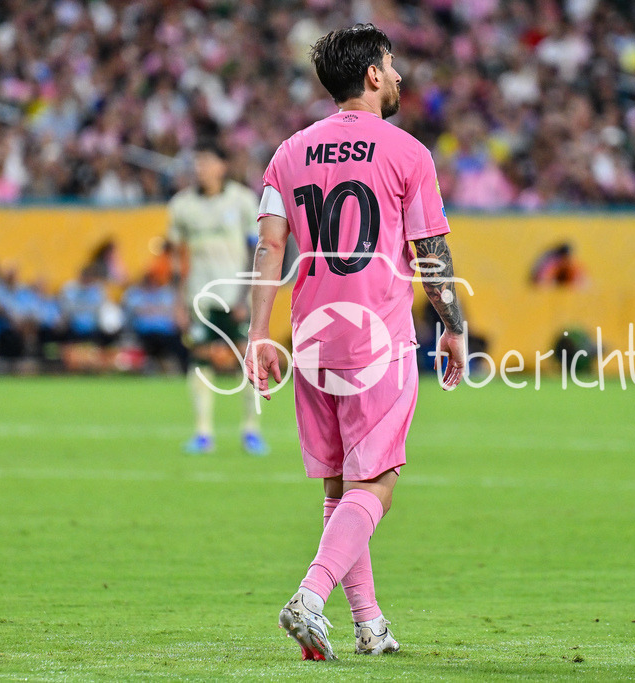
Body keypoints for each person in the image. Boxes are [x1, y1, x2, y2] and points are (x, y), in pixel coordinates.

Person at [246, 24, 467, 661]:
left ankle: (369, 626)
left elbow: (268, 245)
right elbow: (430, 251)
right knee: (380, 482)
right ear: (371, 74)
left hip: (312, 338)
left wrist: (259, 334)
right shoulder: (408, 154)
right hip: (377, 337)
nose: (399, 77)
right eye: (392, 66)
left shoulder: (287, 153)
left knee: (340, 490)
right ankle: (310, 596)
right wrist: (452, 326)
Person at [168, 139, 267, 455]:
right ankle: (203, 432)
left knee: (246, 360)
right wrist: (179, 301)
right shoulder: (182, 205)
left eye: (207, 162)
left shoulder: (241, 201)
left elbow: (257, 249)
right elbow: (175, 258)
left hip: (234, 295)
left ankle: (251, 430)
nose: (201, 169)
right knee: (199, 360)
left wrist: (245, 295)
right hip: (200, 296)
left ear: (222, 166)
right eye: (198, 163)